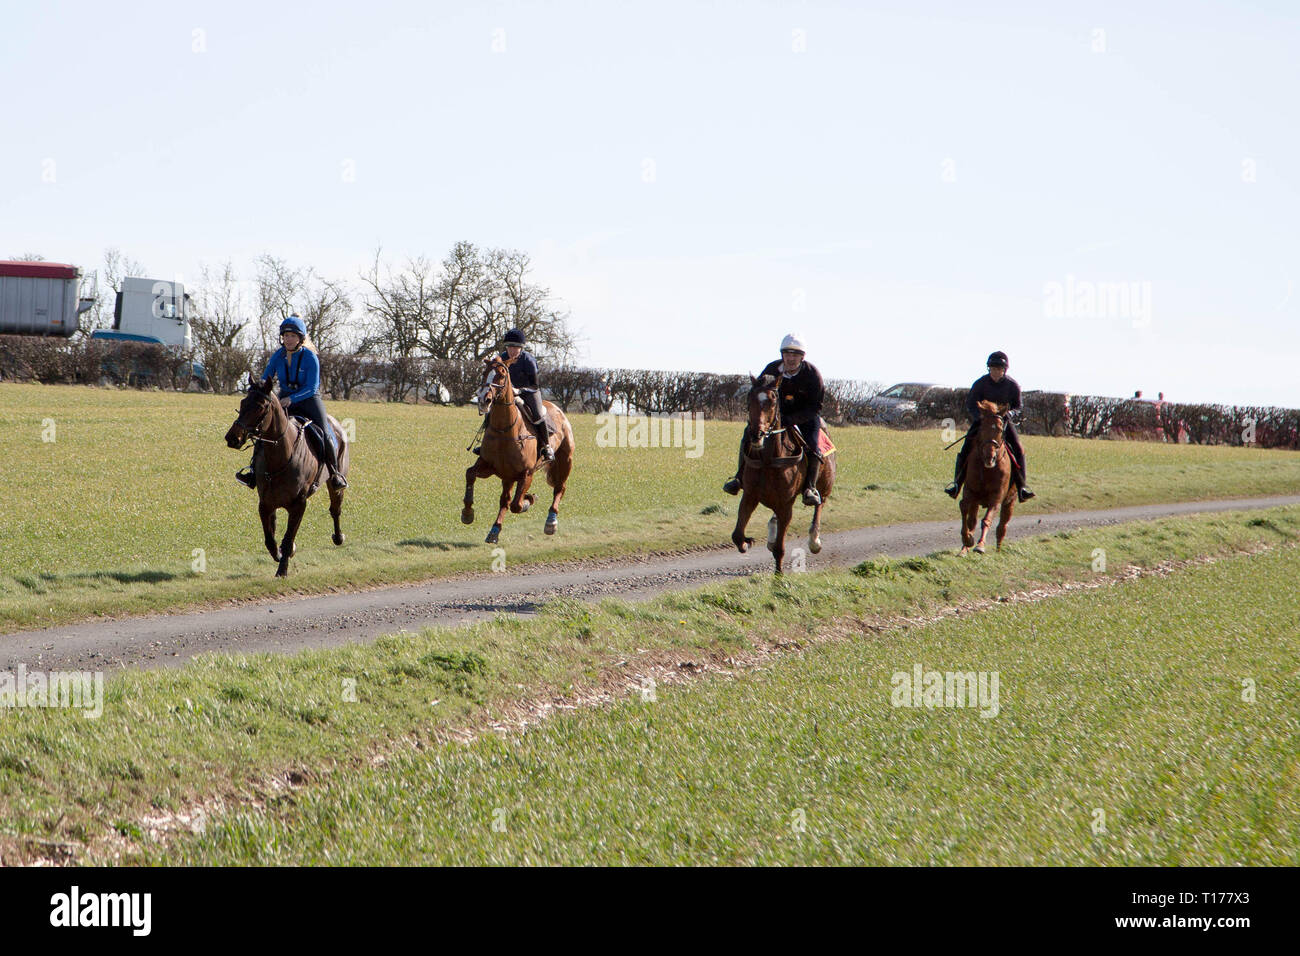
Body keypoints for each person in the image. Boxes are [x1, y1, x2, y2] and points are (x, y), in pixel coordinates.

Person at [236, 315, 347, 489]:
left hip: (309, 400)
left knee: (325, 432)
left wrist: (291, 399)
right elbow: (266, 378)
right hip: (284, 398)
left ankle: (335, 473)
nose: (288, 339)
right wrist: (258, 390)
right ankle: (252, 471)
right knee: (264, 429)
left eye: (293, 336)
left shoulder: (311, 357)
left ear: (300, 339)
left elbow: (312, 387)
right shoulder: (278, 356)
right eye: (286, 336)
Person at [722, 333, 825, 506]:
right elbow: (758, 391)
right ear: (782, 355)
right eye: (787, 354)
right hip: (776, 416)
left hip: (805, 417)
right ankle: (739, 478)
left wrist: (791, 419)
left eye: (795, 355)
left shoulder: (812, 374)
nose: (790, 359)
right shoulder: (771, 369)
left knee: (814, 447)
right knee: (748, 435)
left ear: (802, 357)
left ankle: (809, 488)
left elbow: (815, 406)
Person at [944, 351, 1034, 503]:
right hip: (983, 422)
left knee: (1018, 448)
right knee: (966, 447)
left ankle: (1022, 487)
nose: (995, 372)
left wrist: (1008, 415)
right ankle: (957, 484)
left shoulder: (1012, 385)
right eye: (992, 369)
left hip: (1003, 423)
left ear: (1004, 370)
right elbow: (971, 403)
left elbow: (1018, 406)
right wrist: (979, 416)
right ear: (989, 369)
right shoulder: (980, 383)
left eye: (998, 369)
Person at [498, 328, 554, 461]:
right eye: (509, 347)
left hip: (529, 392)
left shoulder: (528, 360)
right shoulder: (502, 358)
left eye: (515, 347)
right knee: (493, 410)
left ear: (521, 348)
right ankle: (484, 443)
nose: (512, 350)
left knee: (538, 414)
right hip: (509, 393)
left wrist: (519, 391)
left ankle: (546, 447)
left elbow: (535, 385)